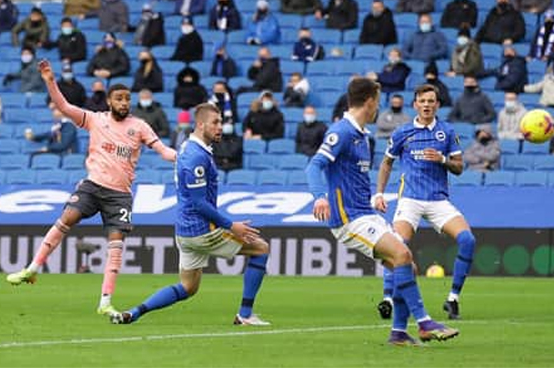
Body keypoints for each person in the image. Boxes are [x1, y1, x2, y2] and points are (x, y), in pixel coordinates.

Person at [7, 61, 177, 319]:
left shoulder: (140, 126)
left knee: (116, 244)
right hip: (93, 185)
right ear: (109, 101)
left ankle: (105, 301)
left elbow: (163, 151)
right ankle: (32, 267)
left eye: (127, 99)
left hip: (119, 194)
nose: (124, 103)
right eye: (119, 98)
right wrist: (50, 80)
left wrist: (182, 156)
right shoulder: (95, 120)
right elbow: (64, 107)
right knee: (67, 218)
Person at [306, 78, 459, 345]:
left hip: (365, 213)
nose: (379, 107)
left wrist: (375, 196)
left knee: (406, 266)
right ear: (369, 102)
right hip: (348, 219)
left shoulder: (362, 135)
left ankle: (398, 333)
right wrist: (320, 197)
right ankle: (424, 323)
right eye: (377, 101)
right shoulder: (341, 132)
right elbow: (313, 166)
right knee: (402, 254)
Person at [110, 103, 269, 326]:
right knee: (261, 249)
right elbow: (198, 203)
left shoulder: (188, 148)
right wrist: (231, 225)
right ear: (201, 124)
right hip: (202, 230)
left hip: (184, 231)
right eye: (215, 122)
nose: (220, 127)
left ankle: (134, 312)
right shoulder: (196, 157)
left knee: (188, 287)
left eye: (221, 122)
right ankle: (245, 315)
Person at [374, 83, 474, 320]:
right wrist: (379, 193)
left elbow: (459, 167)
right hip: (409, 199)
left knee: (468, 240)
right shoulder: (402, 132)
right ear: (415, 104)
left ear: (437, 105)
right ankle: (388, 298)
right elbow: (386, 163)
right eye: (423, 101)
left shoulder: (447, 132)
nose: (427, 105)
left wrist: (442, 159)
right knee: (396, 245)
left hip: (438, 200)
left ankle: (453, 300)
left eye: (431, 101)